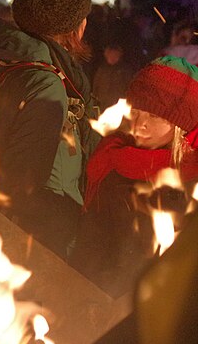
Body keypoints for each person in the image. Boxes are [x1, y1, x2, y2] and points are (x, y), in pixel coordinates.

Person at [0, 0, 100, 259]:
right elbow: (24, 181)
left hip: (9, 234)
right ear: (76, 28)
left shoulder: (4, 61)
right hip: (39, 243)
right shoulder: (46, 83)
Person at [73, 57, 198, 297]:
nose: (140, 124)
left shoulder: (187, 185)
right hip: (81, 288)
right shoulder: (112, 154)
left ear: (181, 124)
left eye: (155, 116)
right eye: (137, 111)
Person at [91, 42, 135, 112]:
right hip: (102, 104)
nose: (112, 57)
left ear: (119, 55)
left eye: (115, 55)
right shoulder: (102, 69)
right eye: (110, 54)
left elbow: (129, 87)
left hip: (117, 106)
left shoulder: (124, 70)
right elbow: (96, 86)